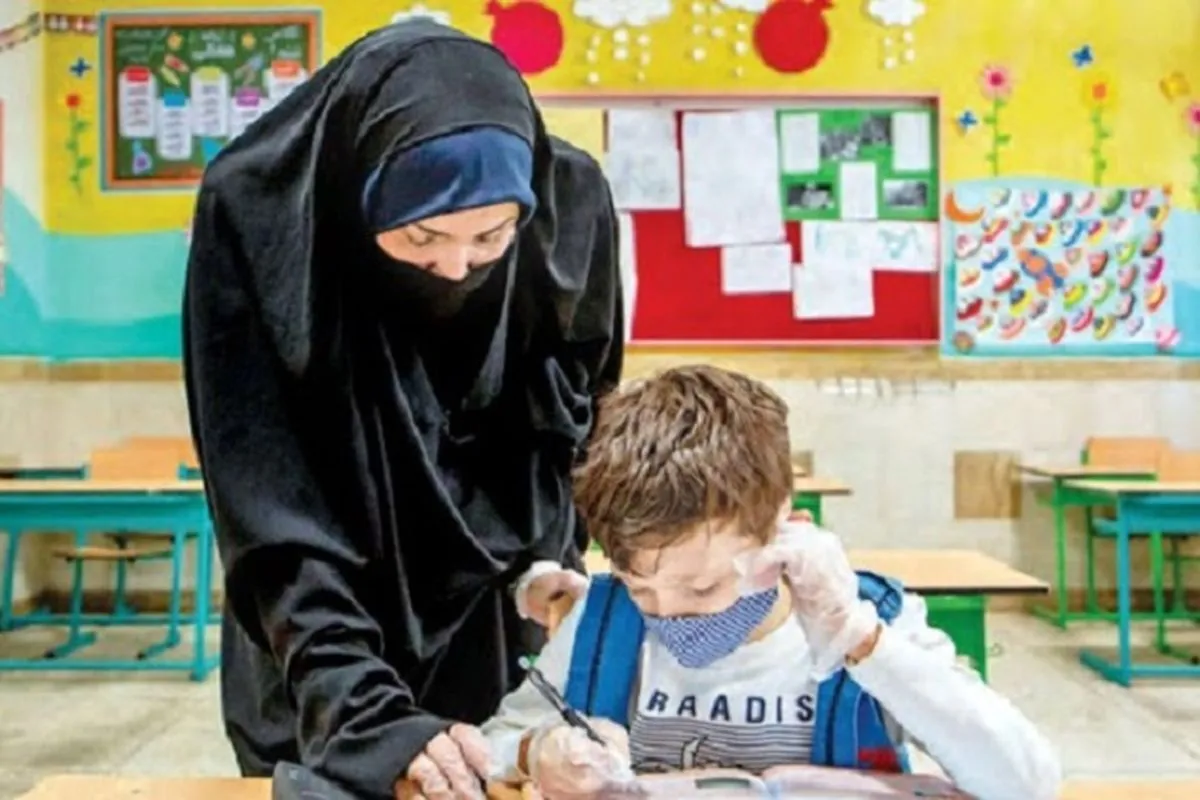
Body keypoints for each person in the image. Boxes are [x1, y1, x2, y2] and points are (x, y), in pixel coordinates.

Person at [182, 19, 622, 800]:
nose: (455, 267)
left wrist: (558, 556)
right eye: (421, 235)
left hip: (505, 609)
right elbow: (270, 509)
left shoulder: (569, 205)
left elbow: (580, 415)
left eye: (491, 235)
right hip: (316, 627)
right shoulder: (257, 215)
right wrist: (361, 712)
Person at [480, 365, 1062, 800]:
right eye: (642, 587)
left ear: (783, 527)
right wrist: (536, 749)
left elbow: (1026, 783)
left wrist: (859, 639)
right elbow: (495, 743)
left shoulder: (873, 621)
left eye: (703, 588)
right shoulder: (603, 620)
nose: (670, 615)